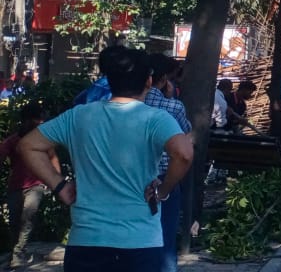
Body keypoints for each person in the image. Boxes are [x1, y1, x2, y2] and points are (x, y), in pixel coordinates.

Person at [19, 46, 192, 272]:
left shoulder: (79, 115)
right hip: (139, 241)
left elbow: (28, 145)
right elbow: (184, 153)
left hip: (87, 239)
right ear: (149, 81)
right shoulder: (157, 119)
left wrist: (59, 185)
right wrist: (163, 190)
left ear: (109, 80)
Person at [144, 54, 192, 272]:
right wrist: (163, 191)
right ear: (163, 79)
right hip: (165, 180)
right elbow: (186, 144)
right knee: (165, 236)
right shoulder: (173, 107)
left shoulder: (121, 107)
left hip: (130, 178)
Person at [0, 103, 59, 268]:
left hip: (36, 184)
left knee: (28, 217)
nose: (41, 122)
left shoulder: (44, 140)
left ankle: (18, 253)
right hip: (15, 186)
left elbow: (53, 158)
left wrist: (57, 182)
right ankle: (18, 251)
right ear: (27, 120)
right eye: (38, 118)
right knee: (14, 221)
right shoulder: (12, 141)